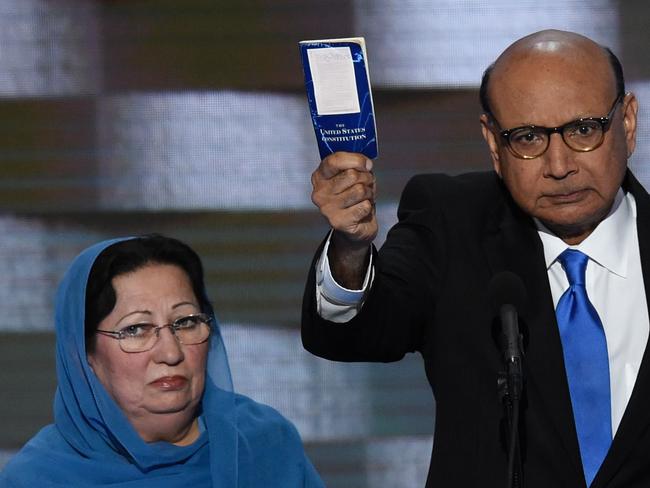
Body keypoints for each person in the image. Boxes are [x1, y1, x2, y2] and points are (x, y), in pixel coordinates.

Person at [301, 29, 650, 487]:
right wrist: (350, 247)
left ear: (626, 122)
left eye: (583, 129)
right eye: (528, 138)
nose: (560, 164)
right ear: (493, 144)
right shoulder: (452, 224)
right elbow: (355, 332)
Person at [1, 235, 324, 487]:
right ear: (83, 356)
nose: (171, 353)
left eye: (185, 322)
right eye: (136, 329)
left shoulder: (264, 443)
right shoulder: (36, 479)